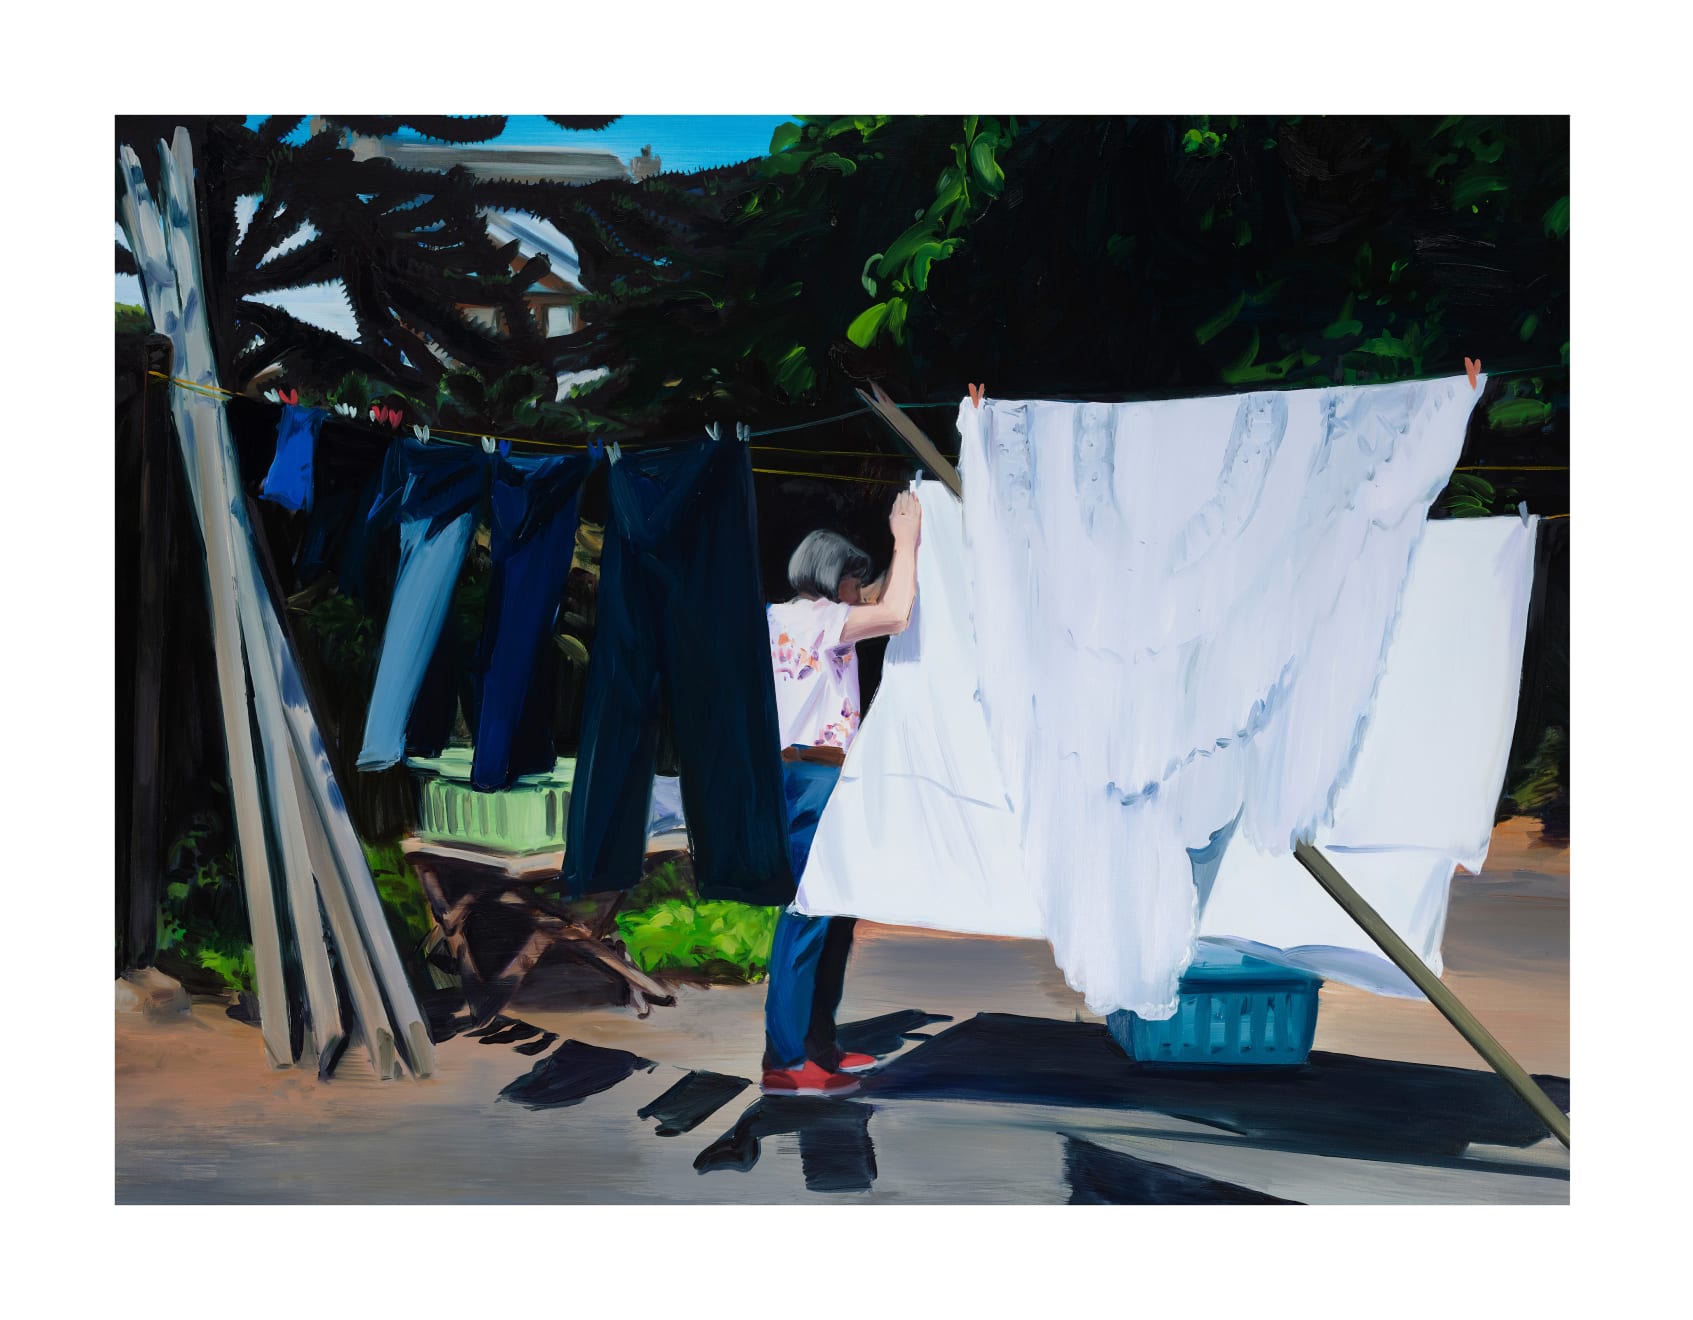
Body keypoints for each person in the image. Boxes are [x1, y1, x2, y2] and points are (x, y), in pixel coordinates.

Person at [760, 490, 923, 1096]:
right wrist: (904, 537)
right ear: (834, 581)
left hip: (800, 772)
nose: (863, 591)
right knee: (809, 914)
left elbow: (884, 598)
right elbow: (898, 610)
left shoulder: (783, 617)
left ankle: (817, 1047)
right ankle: (786, 1060)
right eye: (855, 580)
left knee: (830, 910)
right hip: (818, 774)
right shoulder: (823, 620)